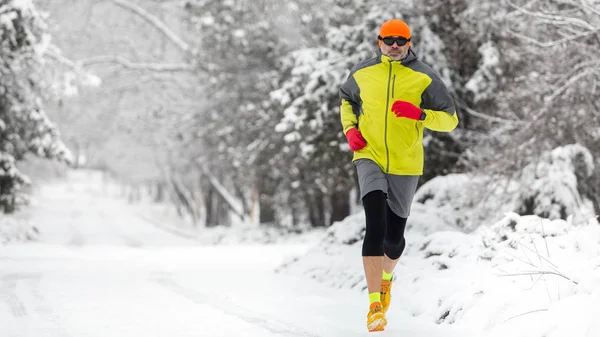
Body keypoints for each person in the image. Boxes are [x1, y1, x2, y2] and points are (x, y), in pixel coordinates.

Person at [339, 18, 458, 332]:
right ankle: (375, 305)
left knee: (394, 238)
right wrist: (351, 131)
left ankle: (387, 279)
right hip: (369, 155)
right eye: (388, 40)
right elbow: (346, 100)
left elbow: (450, 120)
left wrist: (419, 113)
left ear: (409, 42)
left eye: (400, 40)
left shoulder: (424, 77)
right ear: (379, 41)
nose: (394, 45)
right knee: (374, 223)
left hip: (406, 164)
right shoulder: (362, 72)